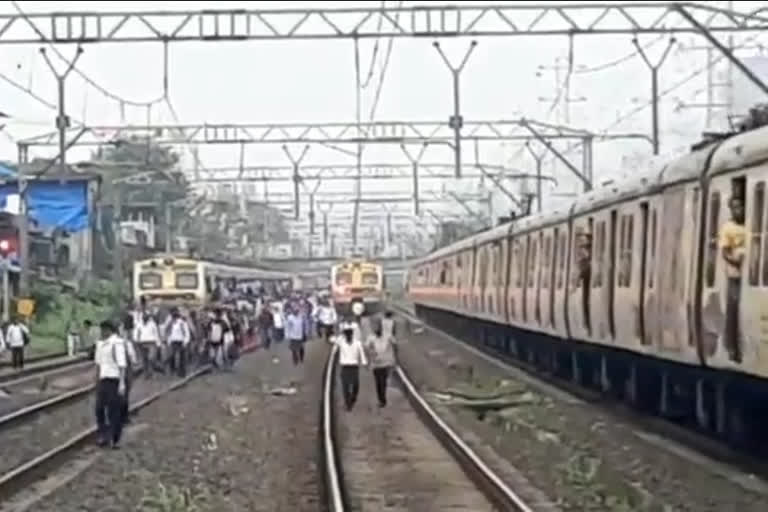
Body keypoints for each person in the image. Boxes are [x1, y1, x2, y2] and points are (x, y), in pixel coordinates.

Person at [720, 194, 746, 363]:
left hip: (746, 272)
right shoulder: (728, 228)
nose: (738, 210)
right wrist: (735, 262)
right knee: (733, 308)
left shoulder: (747, 225)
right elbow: (724, 251)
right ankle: (732, 347)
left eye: (740, 206)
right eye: (735, 207)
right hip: (734, 274)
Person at [94, 320, 127, 449]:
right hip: (103, 380)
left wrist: (122, 383)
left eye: (103, 330)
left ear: (109, 330)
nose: (102, 332)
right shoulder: (100, 345)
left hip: (114, 380)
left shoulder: (117, 344)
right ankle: (103, 435)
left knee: (114, 411)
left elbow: (122, 365)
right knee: (99, 409)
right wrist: (96, 380)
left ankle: (115, 438)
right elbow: (98, 364)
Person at [331, 321, 368, 411]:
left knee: (356, 385)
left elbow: (362, 354)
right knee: (345, 386)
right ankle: (348, 403)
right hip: (345, 367)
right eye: (346, 335)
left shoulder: (357, 343)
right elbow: (331, 339)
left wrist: (364, 363)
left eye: (349, 335)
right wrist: (339, 335)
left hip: (354, 367)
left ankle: (353, 398)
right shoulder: (341, 342)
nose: (348, 336)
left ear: (352, 335)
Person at [365, 317, 397, 407]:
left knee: (383, 381)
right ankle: (381, 399)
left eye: (378, 327)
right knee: (378, 382)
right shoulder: (371, 337)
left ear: (381, 327)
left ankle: (382, 399)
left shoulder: (388, 335)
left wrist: (395, 358)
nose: (377, 329)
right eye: (375, 328)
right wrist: (369, 358)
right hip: (376, 364)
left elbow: (395, 344)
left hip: (386, 363)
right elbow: (366, 348)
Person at [120, 315, 139, 423]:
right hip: (126, 371)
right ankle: (124, 416)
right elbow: (133, 359)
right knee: (125, 394)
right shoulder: (127, 343)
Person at [134, 312, 161, 378]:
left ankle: (152, 370)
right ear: (142, 318)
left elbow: (156, 333)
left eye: (146, 317)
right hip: (142, 343)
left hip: (151, 342)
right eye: (144, 317)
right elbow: (136, 333)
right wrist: (136, 340)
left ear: (148, 318)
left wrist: (158, 343)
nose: (145, 318)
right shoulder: (139, 324)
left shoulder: (152, 324)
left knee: (151, 358)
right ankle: (146, 373)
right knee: (144, 359)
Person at [165, 309, 191, 377]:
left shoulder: (182, 323)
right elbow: (168, 333)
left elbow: (186, 333)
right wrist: (168, 341)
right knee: (171, 356)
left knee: (182, 358)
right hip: (173, 342)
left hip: (181, 342)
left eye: (175, 316)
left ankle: (182, 373)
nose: (174, 318)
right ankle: (172, 370)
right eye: (173, 316)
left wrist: (185, 342)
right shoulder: (170, 323)